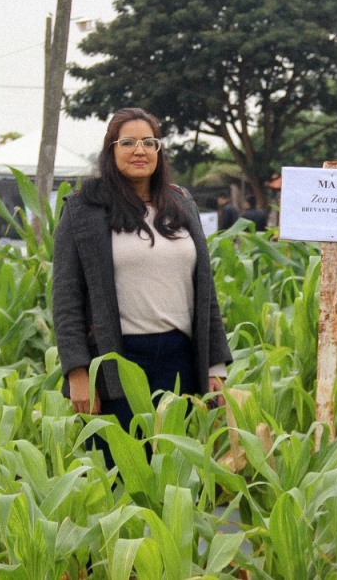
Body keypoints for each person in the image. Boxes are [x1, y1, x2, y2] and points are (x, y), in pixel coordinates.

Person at [52, 107, 232, 468]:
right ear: (111, 150)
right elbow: (67, 297)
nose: (140, 150)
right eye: (128, 142)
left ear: (159, 151)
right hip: (117, 362)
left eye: (149, 142)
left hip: (178, 361)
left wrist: (215, 366)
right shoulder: (84, 210)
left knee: (174, 472)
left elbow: (205, 291)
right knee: (119, 471)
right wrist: (78, 372)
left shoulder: (181, 204)